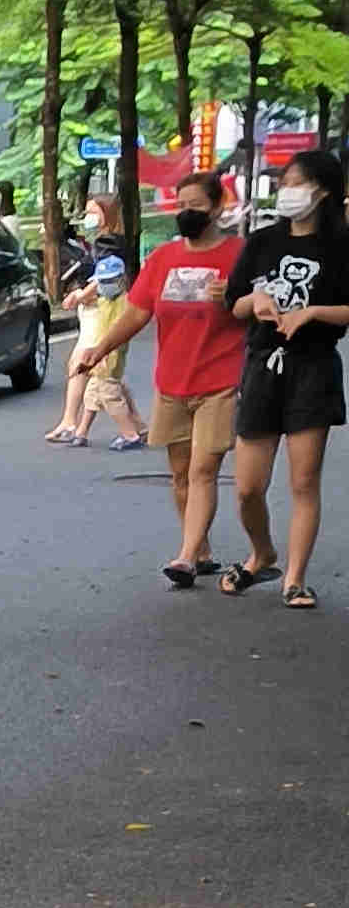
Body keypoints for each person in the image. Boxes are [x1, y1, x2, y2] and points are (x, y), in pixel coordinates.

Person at [222, 138, 349, 604]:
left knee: (303, 482)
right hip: (262, 366)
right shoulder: (262, 242)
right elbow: (233, 303)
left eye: (296, 183)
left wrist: (312, 313)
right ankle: (262, 554)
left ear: (322, 191)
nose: (287, 191)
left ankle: (295, 579)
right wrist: (255, 300)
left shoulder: (341, 246)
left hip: (313, 369)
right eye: (284, 183)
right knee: (248, 488)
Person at [120, 164, 246, 584]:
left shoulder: (240, 255)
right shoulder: (163, 258)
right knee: (180, 474)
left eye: (197, 205)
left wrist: (234, 298)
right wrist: (99, 349)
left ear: (217, 208)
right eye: (182, 204)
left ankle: (186, 557)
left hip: (221, 379)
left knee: (202, 470)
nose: (187, 212)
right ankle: (202, 550)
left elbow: (261, 308)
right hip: (172, 381)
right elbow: (137, 312)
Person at [50, 236, 146, 449]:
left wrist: (102, 352)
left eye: (108, 281)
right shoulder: (105, 300)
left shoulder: (123, 303)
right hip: (100, 354)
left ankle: (130, 434)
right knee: (92, 393)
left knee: (110, 395)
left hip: (109, 356)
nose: (103, 286)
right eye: (101, 281)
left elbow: (118, 332)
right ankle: (81, 432)